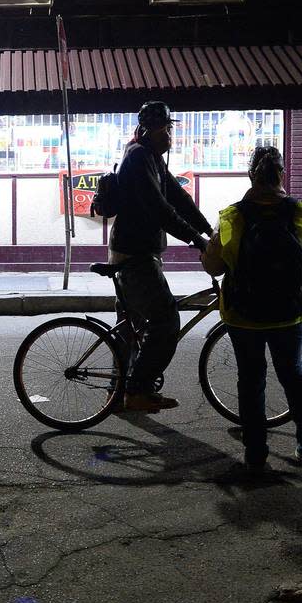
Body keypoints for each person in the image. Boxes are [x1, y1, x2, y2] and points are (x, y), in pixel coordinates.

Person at [201, 145, 302, 472]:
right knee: (294, 376)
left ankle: (256, 455)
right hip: (289, 313)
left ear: (250, 176)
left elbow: (213, 267)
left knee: (251, 379)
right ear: (282, 175)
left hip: (243, 314)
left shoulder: (231, 217)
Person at [109, 100, 213, 413]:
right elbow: (160, 209)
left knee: (132, 328)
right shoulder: (139, 157)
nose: (171, 135)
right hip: (135, 255)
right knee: (166, 321)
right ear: (152, 130)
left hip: (135, 251)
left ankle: (119, 393)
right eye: (167, 128)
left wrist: (208, 230)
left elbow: (178, 197)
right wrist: (197, 240)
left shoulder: (150, 157)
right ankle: (137, 390)